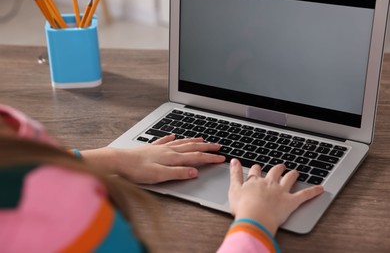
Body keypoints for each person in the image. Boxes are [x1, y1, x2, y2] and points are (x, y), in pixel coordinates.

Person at [0, 104, 323, 252]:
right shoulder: (45, 229)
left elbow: (25, 163)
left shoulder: (14, 144)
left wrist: (112, 157)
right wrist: (256, 222)